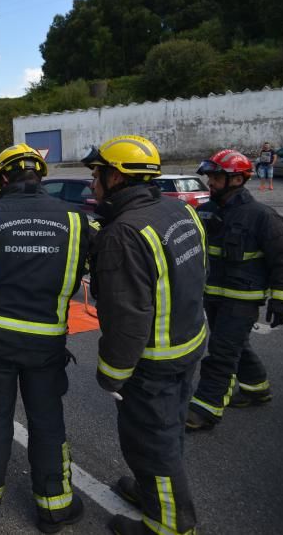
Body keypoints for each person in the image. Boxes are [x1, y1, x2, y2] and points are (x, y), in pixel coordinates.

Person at [0, 144, 89, 533]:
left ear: (2, 178)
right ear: (39, 176)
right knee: (47, 422)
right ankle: (55, 507)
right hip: (47, 344)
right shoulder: (77, 219)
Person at [82, 135, 207, 535]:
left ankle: (168, 524)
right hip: (188, 343)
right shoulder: (179, 212)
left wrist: (112, 373)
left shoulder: (124, 233)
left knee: (152, 443)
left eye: (97, 174)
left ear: (116, 177)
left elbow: (128, 315)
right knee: (167, 431)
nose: (92, 183)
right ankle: (151, 491)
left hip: (154, 360)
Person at [187, 149, 283, 431]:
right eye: (209, 176)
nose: (209, 182)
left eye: (215, 177)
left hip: (242, 300)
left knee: (222, 352)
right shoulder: (206, 211)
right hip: (212, 295)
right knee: (235, 345)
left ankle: (204, 409)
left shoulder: (262, 217)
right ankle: (256, 388)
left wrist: (282, 301)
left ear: (236, 180)